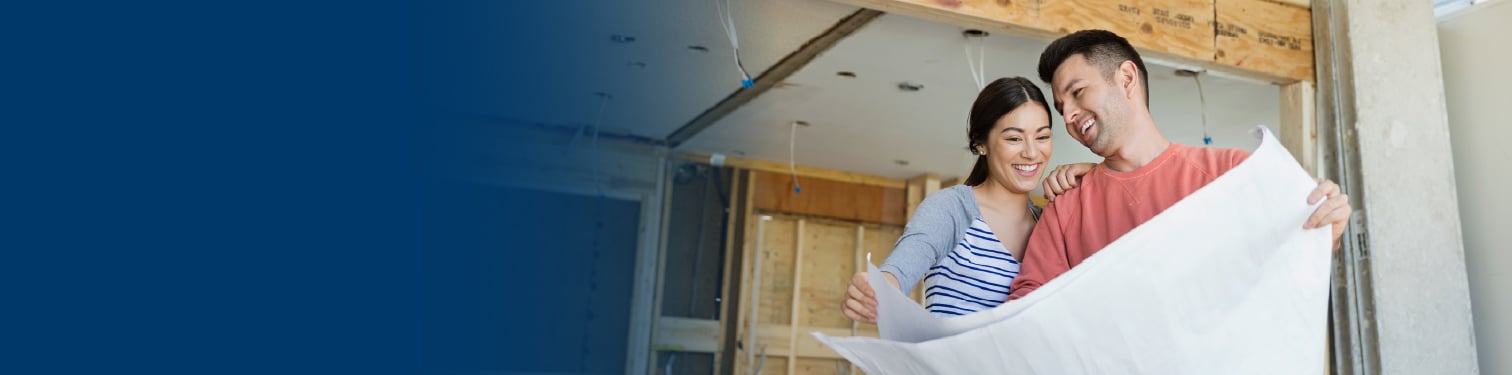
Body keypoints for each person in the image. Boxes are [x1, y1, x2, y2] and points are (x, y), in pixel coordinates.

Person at [1007, 29, 1353, 300]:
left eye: (1077, 92)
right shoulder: (1067, 205)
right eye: (1060, 106)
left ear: (1126, 79)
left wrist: (1327, 228)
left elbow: (1292, 252)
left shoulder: (1231, 172)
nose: (1066, 115)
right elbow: (1026, 309)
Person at [842, 77, 1095, 322]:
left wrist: (1097, 176)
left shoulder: (1050, 221)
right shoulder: (952, 208)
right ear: (980, 144)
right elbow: (902, 267)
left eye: (1042, 137)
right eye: (1014, 138)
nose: (1031, 153)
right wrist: (875, 291)